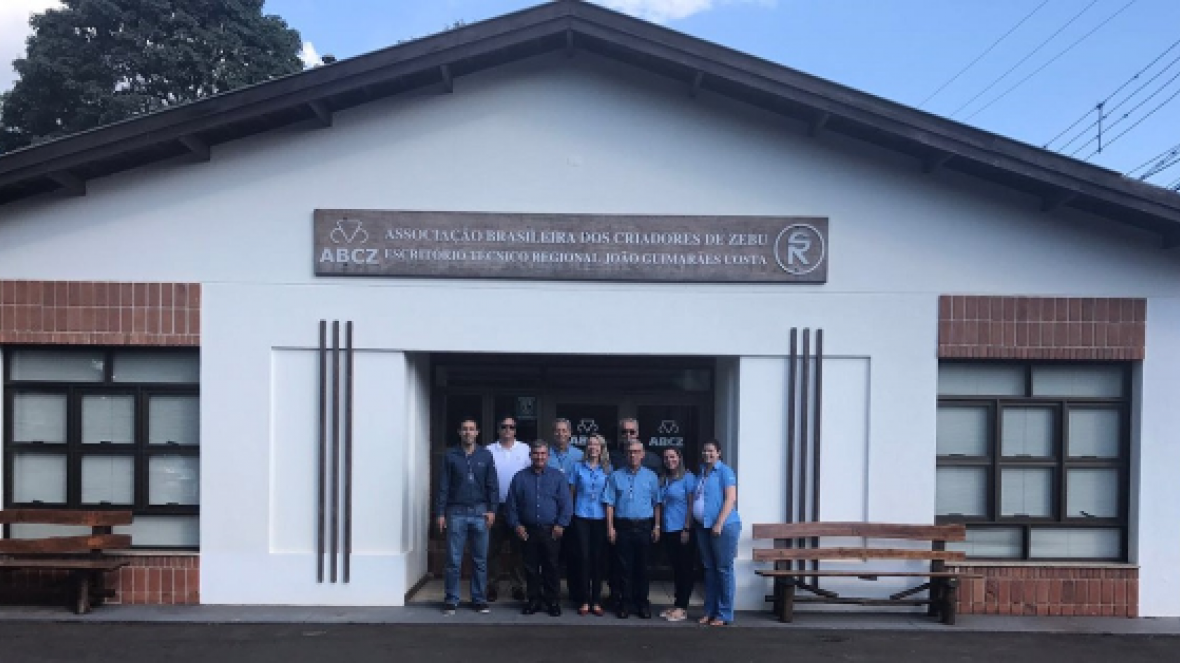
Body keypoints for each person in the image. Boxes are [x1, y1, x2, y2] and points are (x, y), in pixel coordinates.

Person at [434, 418, 498, 615]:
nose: (468, 432)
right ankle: (451, 599)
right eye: (465, 429)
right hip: (456, 512)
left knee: (480, 559)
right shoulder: (450, 456)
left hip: (480, 512)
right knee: (454, 559)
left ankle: (479, 599)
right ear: (459, 432)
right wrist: (440, 513)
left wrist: (492, 509)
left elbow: (492, 485)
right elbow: (443, 486)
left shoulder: (486, 456)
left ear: (477, 432)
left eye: (472, 429)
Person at [505, 441, 573, 617]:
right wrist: (516, 525)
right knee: (531, 567)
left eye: (543, 453)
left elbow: (566, 504)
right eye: (536, 453)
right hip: (528, 531)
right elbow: (511, 505)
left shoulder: (557, 477)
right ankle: (533, 600)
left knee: (551, 567)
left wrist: (561, 524)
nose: (539, 457)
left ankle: (552, 601)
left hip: (551, 530)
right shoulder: (519, 477)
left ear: (548, 456)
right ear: (531, 456)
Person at [603, 439, 661, 619]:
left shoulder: (651, 477)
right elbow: (610, 504)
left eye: (636, 451)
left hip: (644, 526)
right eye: (630, 452)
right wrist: (610, 527)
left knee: (642, 568)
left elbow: (657, 503)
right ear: (625, 455)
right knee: (624, 568)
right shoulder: (615, 476)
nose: (633, 455)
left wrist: (657, 526)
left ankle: (642, 603)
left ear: (643, 455)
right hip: (623, 527)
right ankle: (625, 603)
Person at [693, 439, 742, 626]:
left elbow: (730, 499)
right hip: (703, 527)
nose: (708, 454)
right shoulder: (702, 473)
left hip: (723, 526)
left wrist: (719, 522)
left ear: (719, 453)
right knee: (709, 569)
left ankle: (723, 614)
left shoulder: (725, 472)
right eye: (705, 451)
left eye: (711, 451)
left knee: (723, 569)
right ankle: (709, 611)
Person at [487, 415, 530, 603]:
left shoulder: (525, 450)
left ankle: (518, 587)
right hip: (495, 507)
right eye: (503, 426)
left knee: (518, 550)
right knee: (492, 550)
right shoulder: (489, 451)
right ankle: (492, 586)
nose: (507, 430)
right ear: (498, 429)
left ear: (515, 430)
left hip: (518, 508)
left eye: (511, 427)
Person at [568, 433, 612, 616]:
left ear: (602, 449)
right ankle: (584, 599)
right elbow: (571, 492)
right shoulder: (577, 467)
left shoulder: (608, 469)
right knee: (583, 559)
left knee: (598, 560)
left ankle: (596, 600)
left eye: (597, 445)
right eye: (590, 444)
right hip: (581, 517)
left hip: (600, 518)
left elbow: (610, 497)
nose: (593, 447)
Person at [547, 418, 583, 609]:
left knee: (574, 555)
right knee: (551, 556)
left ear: (570, 433)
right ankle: (551, 593)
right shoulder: (546, 455)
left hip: (575, 512)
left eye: (564, 431)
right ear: (553, 433)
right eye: (557, 431)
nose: (560, 434)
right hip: (550, 512)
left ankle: (575, 592)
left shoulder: (579, 455)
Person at [659, 446, 695, 622]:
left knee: (685, 570)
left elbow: (691, 504)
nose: (669, 460)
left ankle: (682, 607)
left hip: (682, 530)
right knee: (676, 569)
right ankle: (676, 604)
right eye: (666, 457)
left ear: (679, 458)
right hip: (668, 529)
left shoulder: (688, 478)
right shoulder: (665, 479)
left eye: (672, 456)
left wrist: (687, 528)